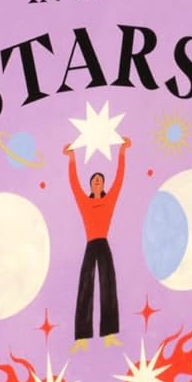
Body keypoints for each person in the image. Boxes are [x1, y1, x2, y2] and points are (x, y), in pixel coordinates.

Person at [66, 136, 130, 349]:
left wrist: (122, 152)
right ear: (90, 184)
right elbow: (74, 183)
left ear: (103, 185)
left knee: (107, 285)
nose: (97, 181)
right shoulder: (84, 201)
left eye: (100, 180)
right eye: (94, 179)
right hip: (90, 245)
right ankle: (82, 337)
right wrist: (72, 158)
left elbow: (119, 178)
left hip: (103, 245)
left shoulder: (109, 199)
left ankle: (109, 334)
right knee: (85, 285)